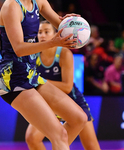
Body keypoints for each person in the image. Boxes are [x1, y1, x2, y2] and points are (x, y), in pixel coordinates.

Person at [0, 0, 87, 149]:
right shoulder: (11, 6)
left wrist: (72, 23)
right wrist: (52, 42)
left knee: (79, 118)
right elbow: (19, 48)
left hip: (31, 75)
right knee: (59, 135)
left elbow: (61, 26)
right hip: (13, 79)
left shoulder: (39, 1)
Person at [25, 20, 101, 150]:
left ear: (55, 34)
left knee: (91, 146)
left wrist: (39, 80)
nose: (42, 35)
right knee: (32, 138)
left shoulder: (64, 53)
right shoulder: (33, 55)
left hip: (73, 101)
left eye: (46, 32)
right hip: (51, 103)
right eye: (39, 32)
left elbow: (67, 87)